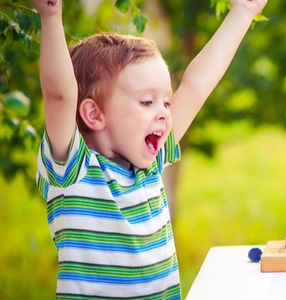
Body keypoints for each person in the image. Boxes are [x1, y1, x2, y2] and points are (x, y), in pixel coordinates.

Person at [33, 0, 267, 298]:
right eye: (147, 102)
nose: (164, 113)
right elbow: (59, 96)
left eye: (166, 102)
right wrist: (51, 16)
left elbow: (196, 86)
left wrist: (243, 13)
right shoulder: (73, 171)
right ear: (94, 114)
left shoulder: (150, 163)